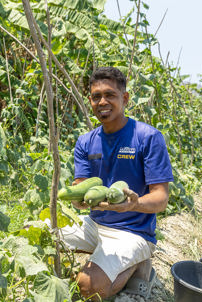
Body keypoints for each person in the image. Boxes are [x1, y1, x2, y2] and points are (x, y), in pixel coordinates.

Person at [62, 66, 174, 301]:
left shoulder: (148, 137)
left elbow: (161, 198)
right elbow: (81, 183)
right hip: (94, 224)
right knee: (38, 234)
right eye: (96, 96)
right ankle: (109, 263)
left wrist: (132, 205)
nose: (102, 101)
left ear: (124, 98)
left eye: (110, 95)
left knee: (86, 289)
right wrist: (78, 200)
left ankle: (139, 267)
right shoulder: (85, 142)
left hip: (133, 231)